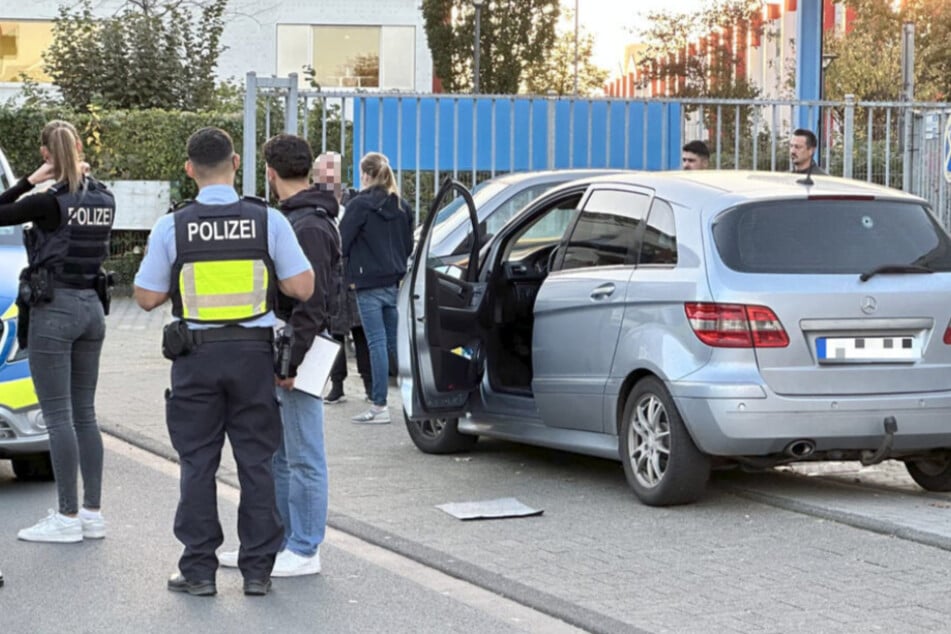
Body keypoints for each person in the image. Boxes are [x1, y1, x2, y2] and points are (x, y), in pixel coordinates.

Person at [133, 127, 314, 597]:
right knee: (256, 462)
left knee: (197, 463)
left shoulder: (171, 226)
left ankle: (197, 571)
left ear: (190, 169)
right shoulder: (268, 220)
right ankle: (257, 571)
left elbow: (148, 297)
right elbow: (302, 288)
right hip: (254, 357)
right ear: (236, 163)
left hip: (195, 359)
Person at [218, 134, 337, 577]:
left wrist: (289, 363)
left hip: (299, 352)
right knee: (282, 455)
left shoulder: (306, 224)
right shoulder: (303, 218)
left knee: (303, 455)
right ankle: (286, 542)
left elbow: (313, 302)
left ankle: (305, 548)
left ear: (269, 173)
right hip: (288, 347)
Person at [0, 120, 115, 544]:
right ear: (81, 148)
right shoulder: (105, 196)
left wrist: (30, 180)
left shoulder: (47, 203)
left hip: (55, 312)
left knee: (58, 416)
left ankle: (66, 516)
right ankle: (92, 514)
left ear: (47, 155)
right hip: (93, 311)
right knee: (86, 414)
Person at [339, 152, 414, 424]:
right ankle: (412, 398)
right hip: (393, 281)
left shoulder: (359, 206)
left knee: (377, 344)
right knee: (394, 344)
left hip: (367, 282)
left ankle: (380, 405)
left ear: (366, 175)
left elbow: (342, 242)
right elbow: (409, 246)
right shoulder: (402, 206)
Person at [317, 152, 371, 404]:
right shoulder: (313, 204)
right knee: (334, 335)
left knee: (362, 334)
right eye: (323, 170)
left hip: (355, 276)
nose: (328, 175)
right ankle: (337, 385)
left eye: (332, 170)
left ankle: (370, 386)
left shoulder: (357, 200)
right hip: (330, 277)